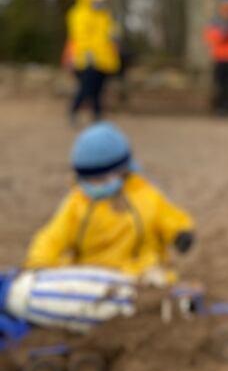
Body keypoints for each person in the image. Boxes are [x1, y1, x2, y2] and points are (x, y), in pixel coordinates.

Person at [25, 122, 195, 286]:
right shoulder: (77, 203)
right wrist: (39, 262)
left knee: (159, 279)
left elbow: (167, 215)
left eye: (103, 178)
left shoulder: (143, 193)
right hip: (91, 275)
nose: (98, 185)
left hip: (140, 272)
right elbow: (53, 236)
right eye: (91, 180)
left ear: (123, 170)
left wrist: (180, 232)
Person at [66, 0, 120, 125]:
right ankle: (73, 111)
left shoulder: (105, 16)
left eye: (102, 0)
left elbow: (111, 34)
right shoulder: (79, 14)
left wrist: (114, 38)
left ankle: (97, 116)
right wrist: (87, 55)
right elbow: (80, 38)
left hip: (105, 59)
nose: (101, 3)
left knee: (98, 90)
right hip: (87, 59)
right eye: (98, 0)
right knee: (86, 88)